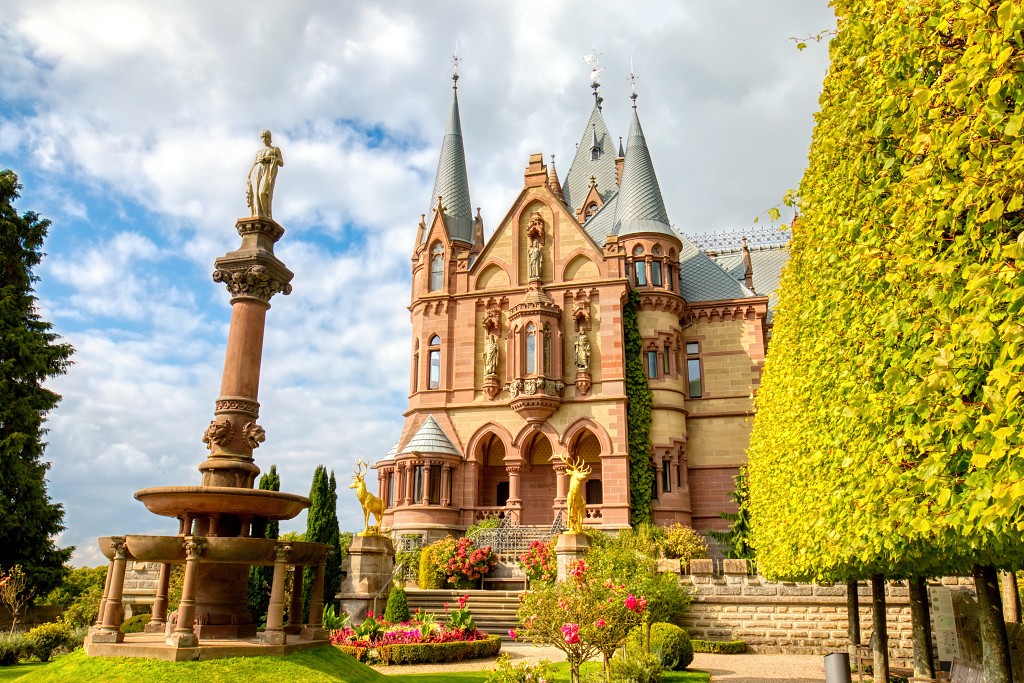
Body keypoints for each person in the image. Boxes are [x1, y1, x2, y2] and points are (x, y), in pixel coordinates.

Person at [246, 129, 284, 219]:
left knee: (262, 192)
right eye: (262, 137)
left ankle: (265, 215)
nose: (263, 139)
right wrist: (249, 175)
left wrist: (270, 158)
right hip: (256, 171)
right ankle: (257, 214)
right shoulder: (259, 152)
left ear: (269, 138)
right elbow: (254, 163)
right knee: (255, 194)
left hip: (267, 171)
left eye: (265, 137)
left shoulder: (275, 149)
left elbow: (281, 163)